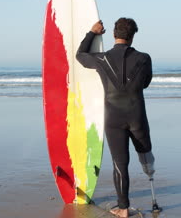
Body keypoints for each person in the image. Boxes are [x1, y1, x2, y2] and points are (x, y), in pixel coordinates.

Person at [76, 18, 155, 218]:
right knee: (145, 154)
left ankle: (123, 208)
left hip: (113, 118)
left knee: (120, 164)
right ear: (133, 35)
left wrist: (92, 32)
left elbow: (80, 55)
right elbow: (145, 83)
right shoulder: (144, 58)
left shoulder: (102, 59)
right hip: (137, 116)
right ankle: (150, 175)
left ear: (113, 34)